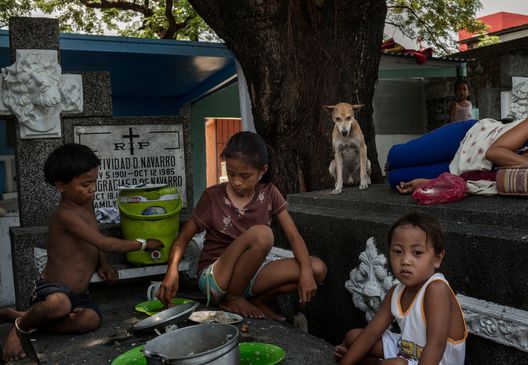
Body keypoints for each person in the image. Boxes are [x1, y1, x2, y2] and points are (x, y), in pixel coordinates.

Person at [0, 143, 164, 362]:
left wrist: (103, 263)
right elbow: (104, 242)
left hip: (79, 295)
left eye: (95, 181)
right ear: (61, 186)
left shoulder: (85, 202)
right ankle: (19, 328)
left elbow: (93, 236)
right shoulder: (65, 215)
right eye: (86, 183)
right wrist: (143, 244)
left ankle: (30, 319)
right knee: (59, 305)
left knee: (91, 320)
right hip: (52, 290)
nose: (93, 189)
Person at [156, 131, 327, 320]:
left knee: (317, 269)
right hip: (216, 278)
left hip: (250, 275)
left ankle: (256, 300)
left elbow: (294, 237)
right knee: (263, 234)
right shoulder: (212, 196)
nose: (237, 182)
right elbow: (183, 239)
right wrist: (171, 271)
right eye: (230, 173)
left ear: (262, 170)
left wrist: (306, 272)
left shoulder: (270, 193)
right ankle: (232, 298)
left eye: (245, 176)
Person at [334, 211, 467, 365]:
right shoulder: (396, 292)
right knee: (354, 336)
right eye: (397, 252)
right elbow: (371, 333)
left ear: (437, 259)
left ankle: (372, 363)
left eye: (417, 253)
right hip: (406, 351)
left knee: (396, 364)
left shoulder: (436, 289)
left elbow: (436, 345)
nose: (405, 261)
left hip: (434, 361)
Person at [387, 109, 528, 194]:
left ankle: (394, 171)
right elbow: (495, 153)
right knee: (397, 157)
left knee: (395, 179)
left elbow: (480, 180)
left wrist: (429, 182)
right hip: (467, 138)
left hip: (460, 169)